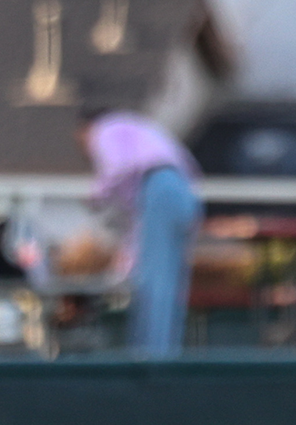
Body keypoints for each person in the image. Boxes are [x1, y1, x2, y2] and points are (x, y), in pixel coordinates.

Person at [80, 108, 204, 358]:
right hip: (184, 195)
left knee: (154, 284)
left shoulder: (105, 128)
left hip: (161, 189)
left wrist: (96, 196)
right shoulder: (141, 132)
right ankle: (164, 353)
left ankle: (148, 357)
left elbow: (116, 167)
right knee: (169, 284)